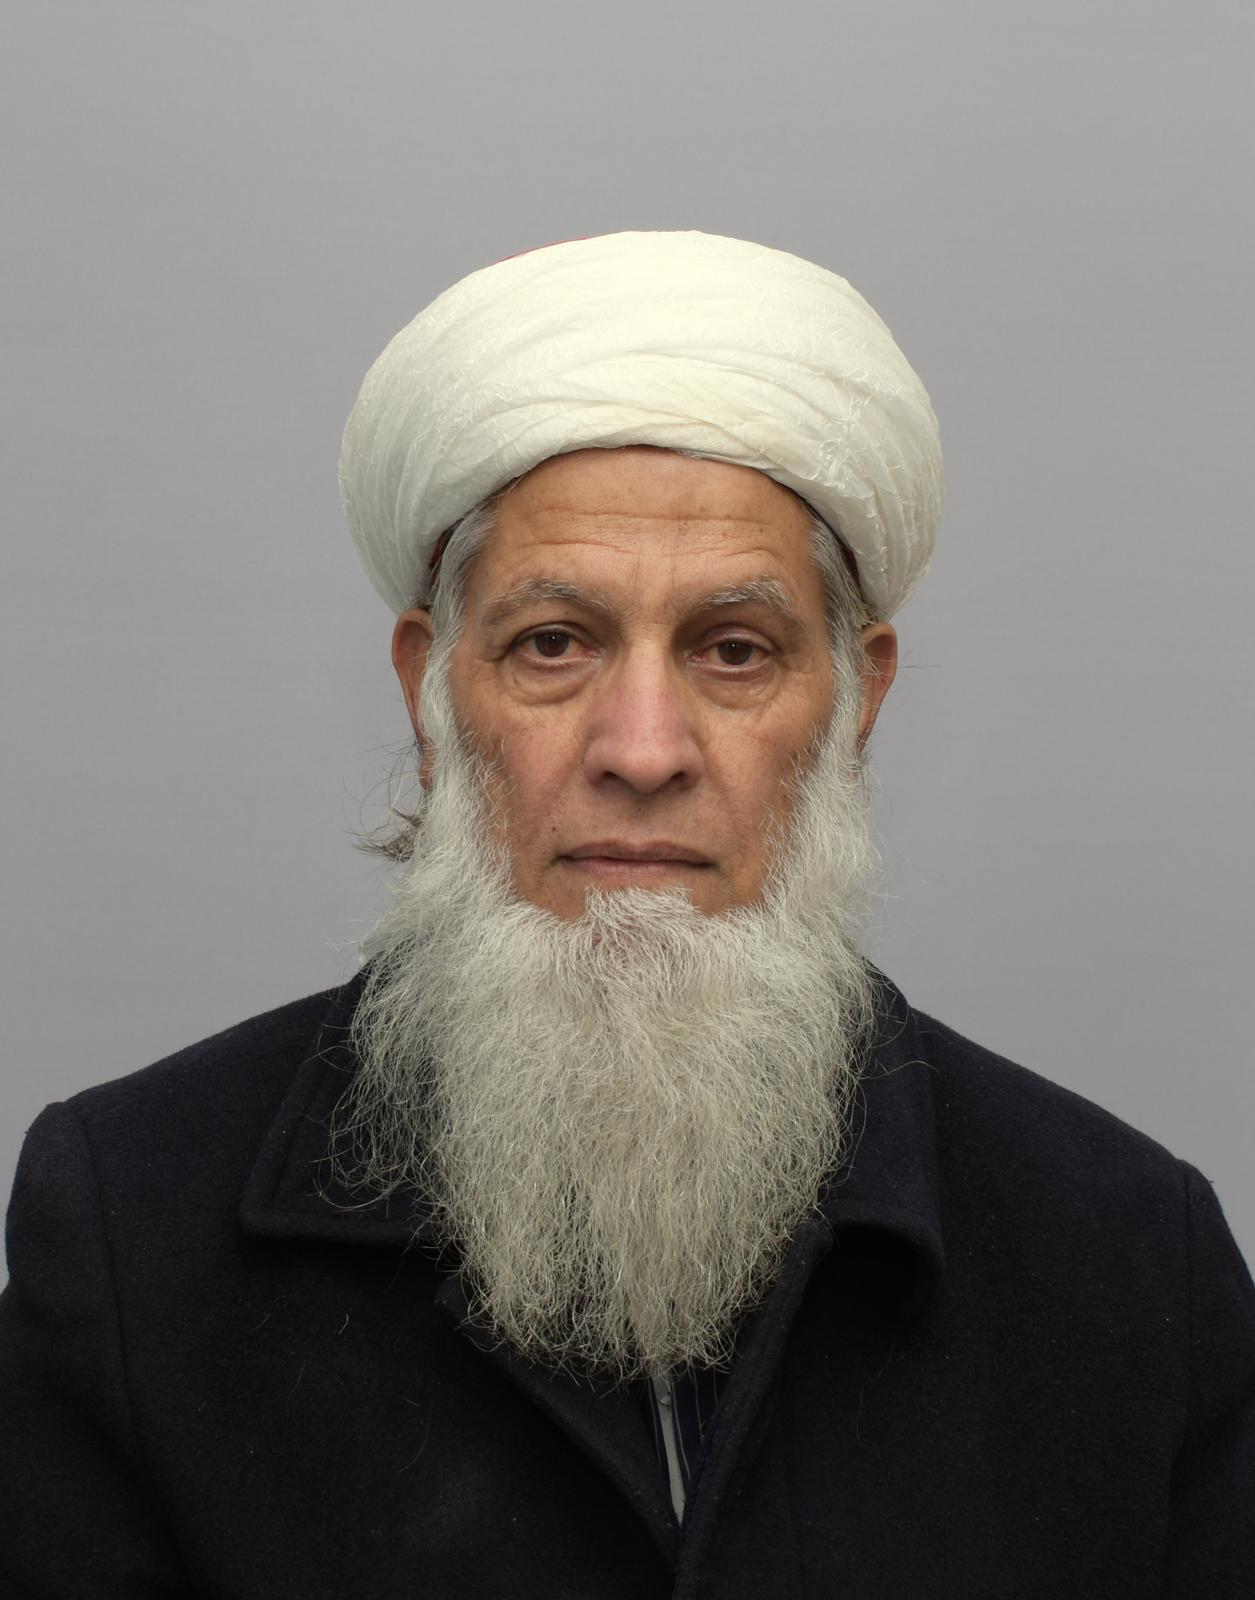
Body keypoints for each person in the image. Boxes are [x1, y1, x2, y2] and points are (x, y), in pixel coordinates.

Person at [2, 231, 1251, 1597]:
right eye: (554, 644)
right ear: (431, 696)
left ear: (855, 703)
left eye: (734, 650)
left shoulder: (1133, 1266)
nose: (644, 749)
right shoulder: (129, 1235)